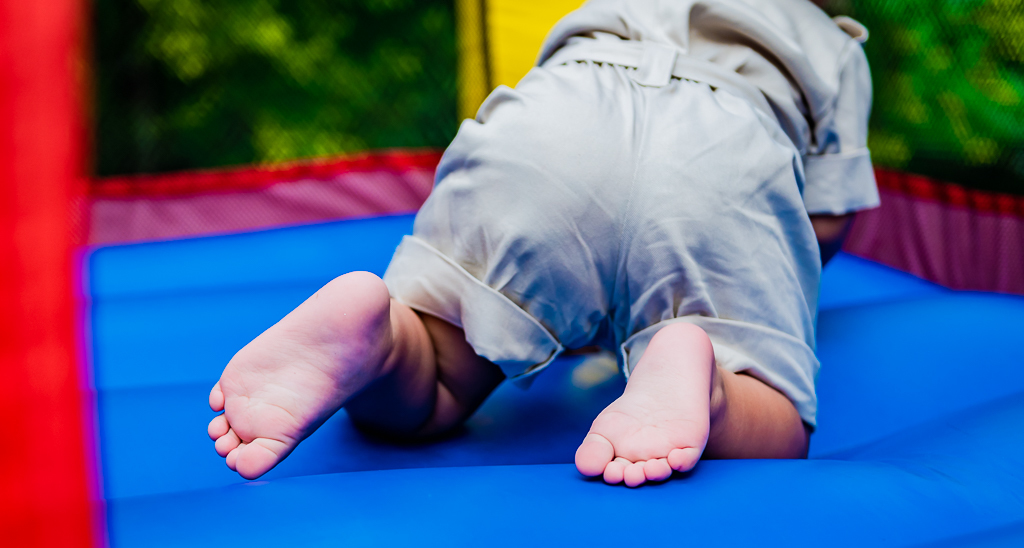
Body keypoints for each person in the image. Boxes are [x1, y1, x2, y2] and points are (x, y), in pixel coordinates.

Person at [207, 0, 879, 487]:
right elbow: (826, 218)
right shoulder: (834, 47)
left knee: (440, 375)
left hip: (559, 115)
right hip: (725, 148)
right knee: (777, 426)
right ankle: (706, 380)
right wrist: (761, 298)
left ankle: (383, 332)